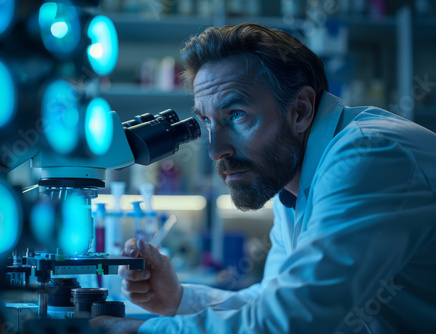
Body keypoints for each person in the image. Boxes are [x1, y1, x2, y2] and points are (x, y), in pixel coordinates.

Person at [91, 23, 436, 333]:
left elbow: (294, 320)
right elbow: (276, 297)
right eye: (208, 123)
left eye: (236, 115)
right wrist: (180, 299)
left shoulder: (367, 156)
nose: (215, 150)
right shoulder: (294, 184)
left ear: (299, 110)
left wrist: (135, 332)